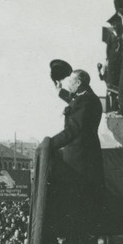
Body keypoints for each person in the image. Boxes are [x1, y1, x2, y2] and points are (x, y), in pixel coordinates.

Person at [50, 69, 104, 215]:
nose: (69, 85)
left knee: (77, 200)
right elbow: (74, 100)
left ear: (79, 83)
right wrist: (60, 91)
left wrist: (50, 143)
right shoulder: (86, 97)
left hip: (80, 158)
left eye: (71, 82)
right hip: (82, 155)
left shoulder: (87, 101)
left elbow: (73, 129)